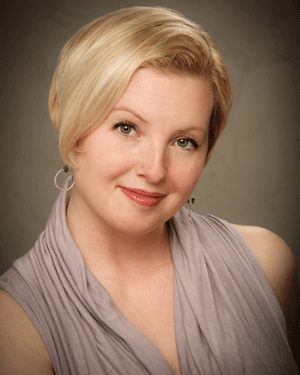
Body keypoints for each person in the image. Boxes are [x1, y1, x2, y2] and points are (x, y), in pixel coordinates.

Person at [0, 6, 299, 375]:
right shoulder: (12, 327)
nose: (155, 170)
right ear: (73, 133)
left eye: (185, 141)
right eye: (127, 128)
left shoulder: (268, 266)